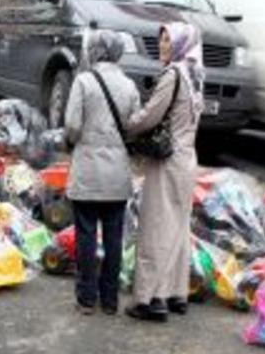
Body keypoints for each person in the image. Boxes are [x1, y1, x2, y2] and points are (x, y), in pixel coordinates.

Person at [126, 22, 204, 322]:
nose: (162, 46)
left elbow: (151, 116)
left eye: (168, 41)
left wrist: (128, 125)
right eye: (160, 40)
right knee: (178, 228)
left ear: (181, 44)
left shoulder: (172, 75)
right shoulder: (196, 75)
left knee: (156, 227)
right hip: (188, 159)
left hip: (168, 161)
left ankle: (150, 299)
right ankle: (176, 294)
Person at [63, 30, 141, 316]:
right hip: (117, 174)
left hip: (88, 171)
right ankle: (110, 300)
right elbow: (134, 126)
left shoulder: (84, 81)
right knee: (113, 238)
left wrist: (73, 140)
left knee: (85, 235)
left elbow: (72, 124)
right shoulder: (129, 86)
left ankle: (86, 298)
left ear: (94, 50)